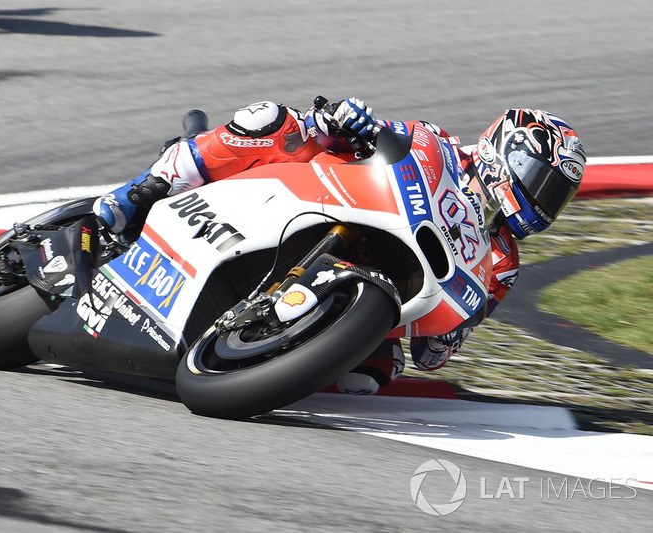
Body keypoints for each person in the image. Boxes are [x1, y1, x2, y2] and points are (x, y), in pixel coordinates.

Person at [93, 98, 587, 394]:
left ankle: (262, 353)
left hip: (380, 287)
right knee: (273, 120)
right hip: (319, 203)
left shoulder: (502, 264)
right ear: (509, 153)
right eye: (542, 183)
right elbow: (374, 138)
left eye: (555, 195)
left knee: (375, 372)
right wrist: (346, 120)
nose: (545, 201)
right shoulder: (439, 145)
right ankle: (139, 192)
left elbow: (431, 356)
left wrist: (446, 335)